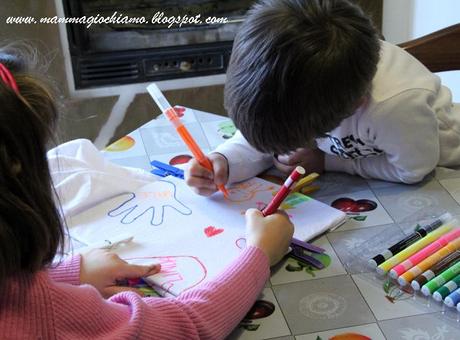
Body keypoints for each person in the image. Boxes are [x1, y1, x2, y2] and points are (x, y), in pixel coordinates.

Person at [0, 44, 294, 339]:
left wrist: (66, 272)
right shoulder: (46, 312)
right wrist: (260, 253)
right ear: (19, 172)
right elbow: (187, 326)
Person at [185, 0, 460, 196]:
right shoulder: (310, 95)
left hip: (442, 173)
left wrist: (326, 162)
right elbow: (267, 135)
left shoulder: (395, 106)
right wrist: (225, 161)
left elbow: (413, 170)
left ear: (354, 106)